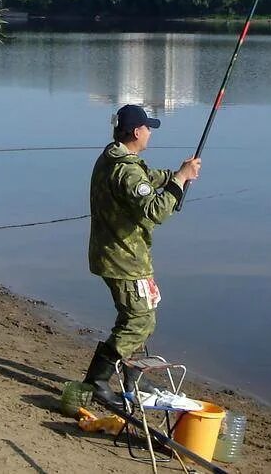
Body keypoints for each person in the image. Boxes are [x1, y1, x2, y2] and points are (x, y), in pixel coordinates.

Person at [81, 104, 201, 405]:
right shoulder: (125, 170)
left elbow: (147, 178)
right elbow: (155, 212)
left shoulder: (116, 157)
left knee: (142, 316)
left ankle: (131, 374)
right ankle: (96, 381)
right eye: (148, 128)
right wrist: (179, 183)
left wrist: (178, 174)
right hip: (123, 259)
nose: (150, 133)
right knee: (137, 321)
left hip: (123, 255)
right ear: (137, 132)